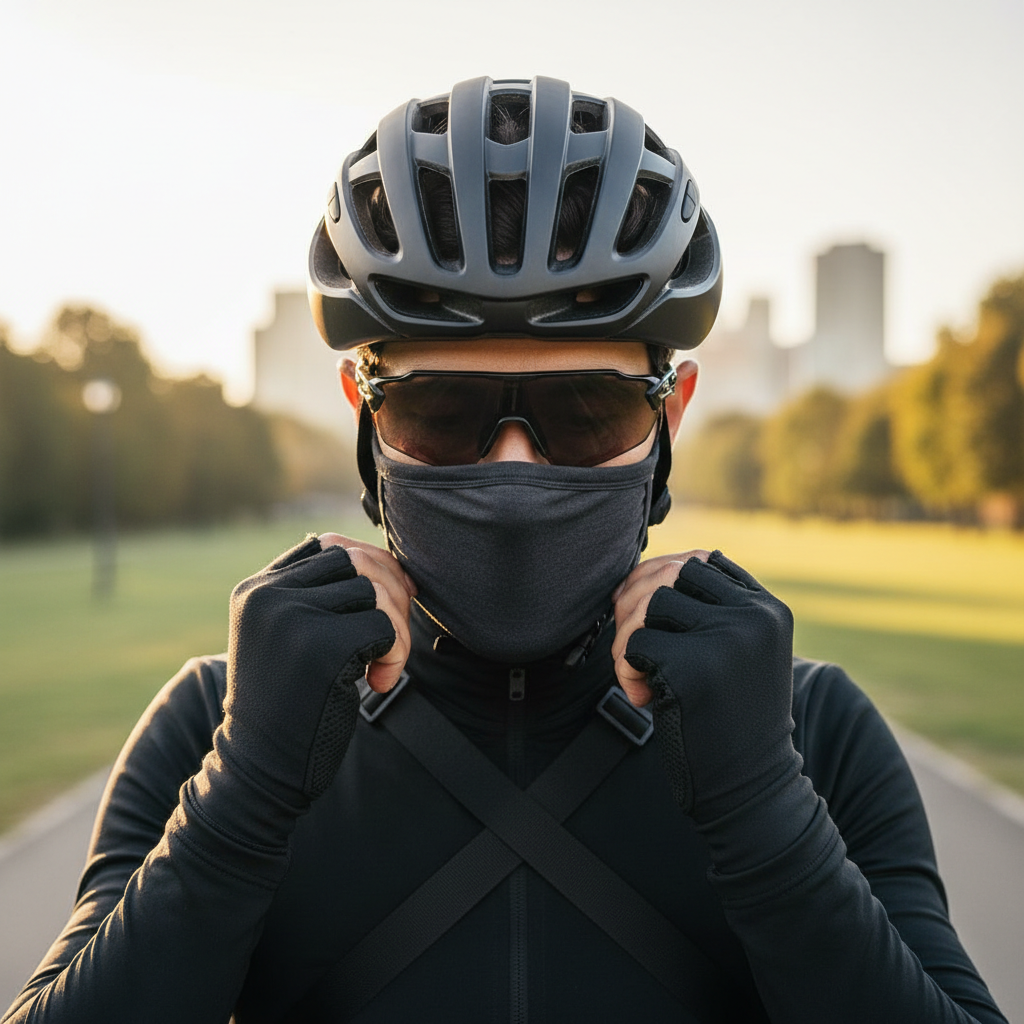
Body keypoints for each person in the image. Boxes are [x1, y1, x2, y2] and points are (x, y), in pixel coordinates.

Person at [3, 76, 1006, 1024]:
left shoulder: (814, 729)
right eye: (444, 411)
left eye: (585, 409)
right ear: (365, 412)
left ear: (672, 417)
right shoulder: (212, 725)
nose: (515, 470)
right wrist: (248, 787)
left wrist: (764, 808)